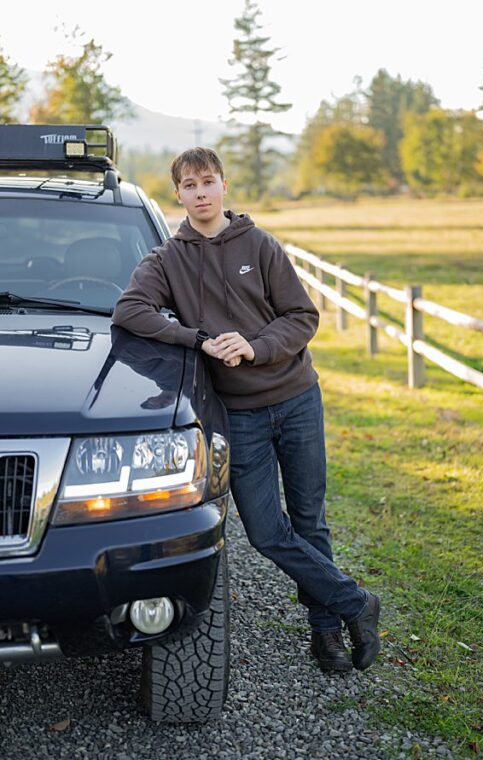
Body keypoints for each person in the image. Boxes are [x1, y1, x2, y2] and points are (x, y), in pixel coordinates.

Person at [112, 147, 380, 672]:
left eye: (208, 181)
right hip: (240, 415)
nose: (201, 192)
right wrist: (198, 339)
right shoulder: (169, 259)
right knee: (264, 531)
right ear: (178, 194)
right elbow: (130, 311)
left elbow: (302, 315)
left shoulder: (259, 245)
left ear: (224, 185)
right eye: (190, 185)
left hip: (297, 397)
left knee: (309, 520)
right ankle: (356, 603)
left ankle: (326, 630)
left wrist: (255, 346)